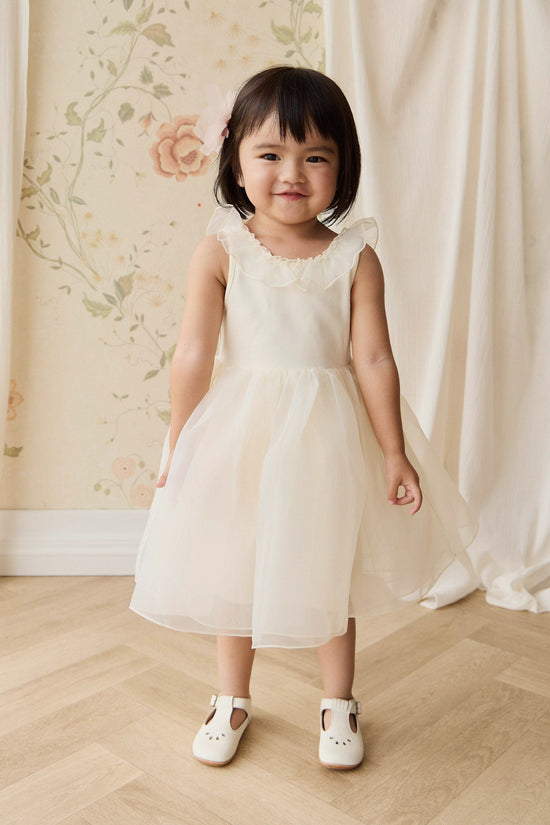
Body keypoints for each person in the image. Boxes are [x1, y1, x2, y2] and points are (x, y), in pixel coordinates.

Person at [129, 66, 477, 770]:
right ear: (236, 162)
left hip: (325, 440)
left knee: (328, 566)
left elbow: (373, 359)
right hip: (242, 434)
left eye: (316, 156)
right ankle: (231, 698)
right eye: (271, 154)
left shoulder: (355, 257)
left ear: (343, 167)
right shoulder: (221, 251)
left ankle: (338, 701)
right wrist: (179, 439)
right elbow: (193, 354)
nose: (292, 173)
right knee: (234, 563)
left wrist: (394, 451)